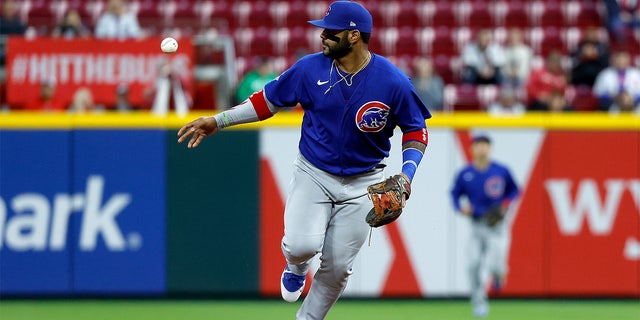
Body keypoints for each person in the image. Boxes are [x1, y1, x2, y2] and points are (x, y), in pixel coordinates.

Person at [177, 2, 431, 319]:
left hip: (364, 181)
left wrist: (407, 175)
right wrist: (219, 121)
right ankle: (296, 267)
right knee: (300, 245)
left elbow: (416, 130)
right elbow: (265, 102)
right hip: (315, 173)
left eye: (330, 30)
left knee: (337, 268)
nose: (322, 35)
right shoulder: (309, 68)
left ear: (354, 36)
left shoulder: (393, 82)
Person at [450, 134, 519, 318]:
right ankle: (479, 303)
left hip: (497, 226)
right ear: (472, 149)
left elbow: (514, 190)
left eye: (485, 145)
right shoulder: (466, 173)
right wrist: (460, 208)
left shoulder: (501, 170)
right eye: (478, 145)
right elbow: (454, 194)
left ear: (490, 148)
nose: (482, 148)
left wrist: (505, 205)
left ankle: (498, 274)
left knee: (496, 265)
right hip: (476, 225)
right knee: (472, 265)